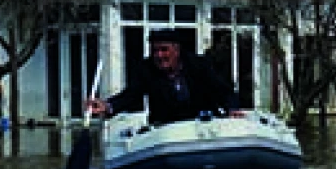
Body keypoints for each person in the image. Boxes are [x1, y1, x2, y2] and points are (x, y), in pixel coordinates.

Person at [87, 29, 241, 124]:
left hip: (202, 125)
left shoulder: (199, 65)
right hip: (166, 128)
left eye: (164, 50)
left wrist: (231, 108)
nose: (159, 56)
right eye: (155, 51)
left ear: (177, 50)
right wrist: (107, 106)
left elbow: (223, 90)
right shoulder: (146, 69)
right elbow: (131, 95)